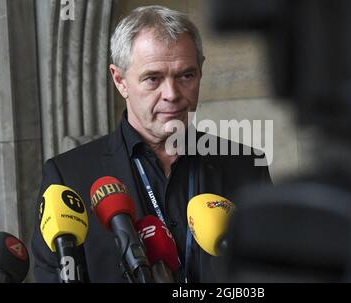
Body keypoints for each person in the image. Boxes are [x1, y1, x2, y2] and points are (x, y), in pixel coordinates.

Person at [32, 5, 272, 283]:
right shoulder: (68, 178)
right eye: (153, 79)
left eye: (186, 76)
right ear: (120, 80)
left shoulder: (246, 166)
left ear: (201, 72)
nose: (172, 94)